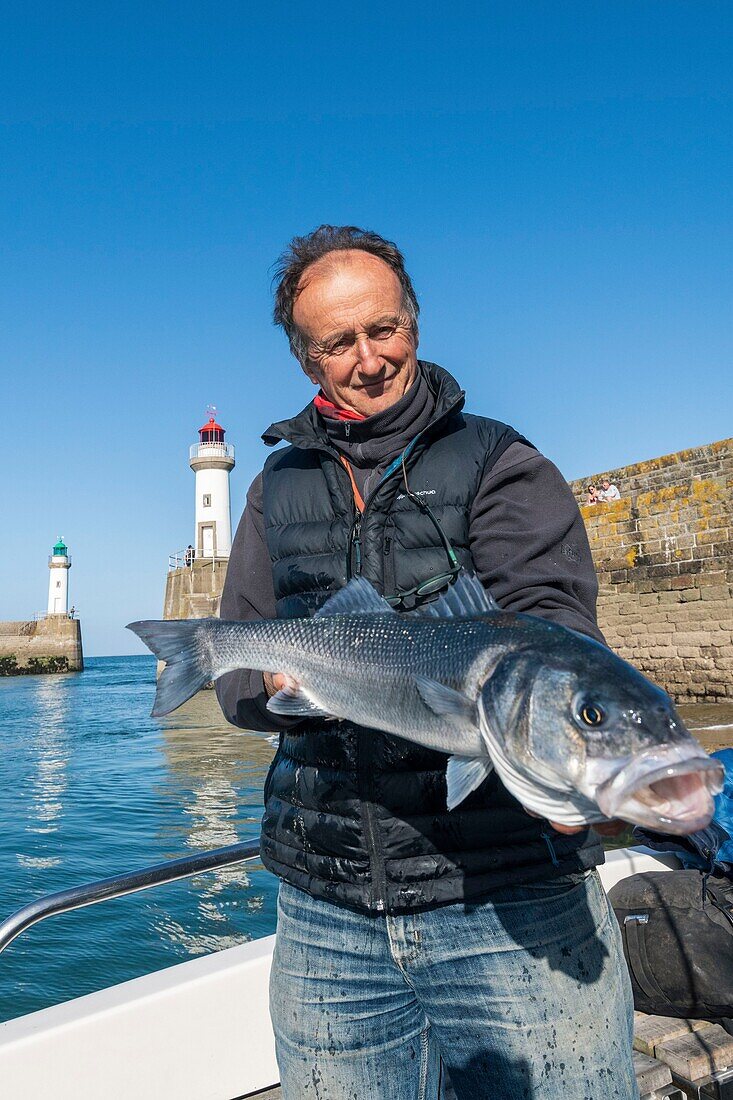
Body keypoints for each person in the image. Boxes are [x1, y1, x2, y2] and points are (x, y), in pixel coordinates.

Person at [216, 226, 636, 1099]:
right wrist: (275, 689)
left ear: (413, 321)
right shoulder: (271, 486)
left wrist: (569, 761)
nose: (368, 359)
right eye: (338, 343)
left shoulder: (500, 461)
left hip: (507, 895)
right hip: (324, 912)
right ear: (307, 362)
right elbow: (237, 674)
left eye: (384, 329)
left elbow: (557, 629)